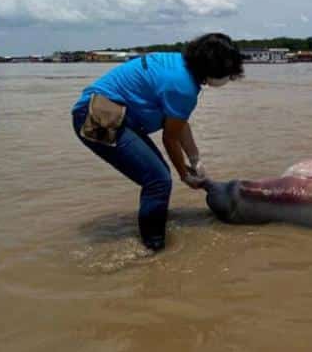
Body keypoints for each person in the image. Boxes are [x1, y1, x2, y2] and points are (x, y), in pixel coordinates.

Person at [71, 33, 243, 251]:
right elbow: (169, 137)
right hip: (98, 116)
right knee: (158, 180)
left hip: (106, 110)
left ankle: (151, 234)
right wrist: (184, 174)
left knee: (158, 176)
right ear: (213, 68)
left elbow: (178, 122)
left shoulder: (178, 65)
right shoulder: (183, 86)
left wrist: (195, 158)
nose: (228, 79)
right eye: (227, 74)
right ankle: (154, 248)